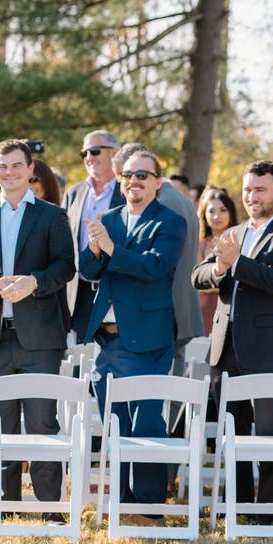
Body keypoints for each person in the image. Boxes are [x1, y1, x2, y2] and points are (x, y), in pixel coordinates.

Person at [0, 139, 75, 518]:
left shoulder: (53, 217)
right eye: (2, 166)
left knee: (42, 421)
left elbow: (65, 266)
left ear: (30, 169)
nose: (9, 173)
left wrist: (34, 282)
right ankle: (4, 505)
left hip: (40, 339)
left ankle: (51, 507)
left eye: (16, 166)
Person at [193, 161, 273, 524]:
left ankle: (272, 511)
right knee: (234, 429)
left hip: (270, 348)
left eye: (259, 190)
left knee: (272, 430)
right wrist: (217, 268)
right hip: (225, 345)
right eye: (247, 189)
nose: (251, 197)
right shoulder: (234, 232)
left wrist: (236, 263)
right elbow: (198, 276)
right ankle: (239, 503)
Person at [80, 150, 186, 520]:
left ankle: (151, 503)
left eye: (143, 174)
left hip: (147, 339)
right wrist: (95, 250)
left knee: (147, 421)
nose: (135, 180)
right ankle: (123, 497)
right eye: (128, 174)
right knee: (115, 421)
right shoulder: (109, 218)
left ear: (158, 181)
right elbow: (89, 269)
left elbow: (155, 267)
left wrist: (111, 249)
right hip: (106, 340)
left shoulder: (169, 222)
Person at [115, 143, 203, 389]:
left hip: (160, 312)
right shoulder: (178, 199)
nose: (126, 184)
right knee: (167, 390)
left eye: (130, 175)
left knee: (157, 392)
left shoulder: (162, 206)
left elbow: (149, 264)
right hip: (174, 309)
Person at [64, 130, 125, 343]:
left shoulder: (127, 192)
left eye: (95, 151)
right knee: (81, 367)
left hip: (116, 293)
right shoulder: (74, 193)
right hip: (78, 296)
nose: (89, 158)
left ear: (114, 153)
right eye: (84, 153)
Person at [195, 190, 238, 334]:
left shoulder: (240, 240)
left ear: (231, 212)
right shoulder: (199, 243)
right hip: (204, 307)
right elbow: (197, 279)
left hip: (233, 305)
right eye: (211, 211)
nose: (216, 216)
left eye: (222, 210)